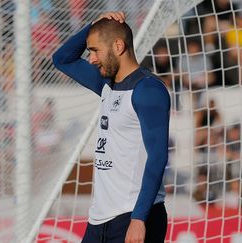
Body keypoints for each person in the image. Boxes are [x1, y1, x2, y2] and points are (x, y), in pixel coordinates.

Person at [53, 12, 170, 243]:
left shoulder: (148, 90)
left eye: (95, 50)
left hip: (135, 217)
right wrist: (93, 25)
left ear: (118, 46)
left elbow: (157, 157)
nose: (91, 59)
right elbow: (62, 59)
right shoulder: (107, 84)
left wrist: (139, 219)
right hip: (99, 220)